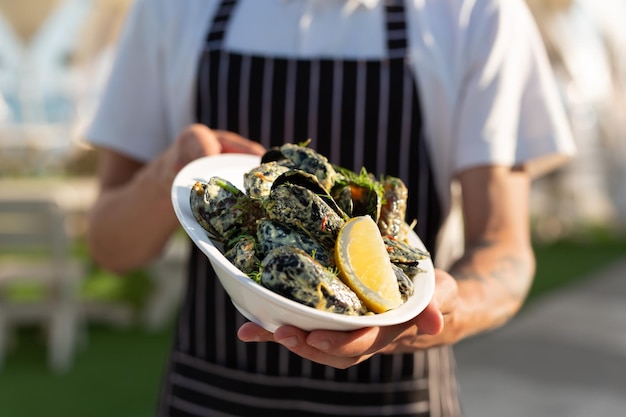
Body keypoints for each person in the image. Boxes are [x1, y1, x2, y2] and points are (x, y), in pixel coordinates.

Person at [84, 0, 576, 416]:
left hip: (398, 396)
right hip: (213, 394)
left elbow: (504, 249)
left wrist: (445, 307)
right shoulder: (172, 7)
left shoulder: (475, 10)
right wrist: (171, 169)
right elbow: (109, 246)